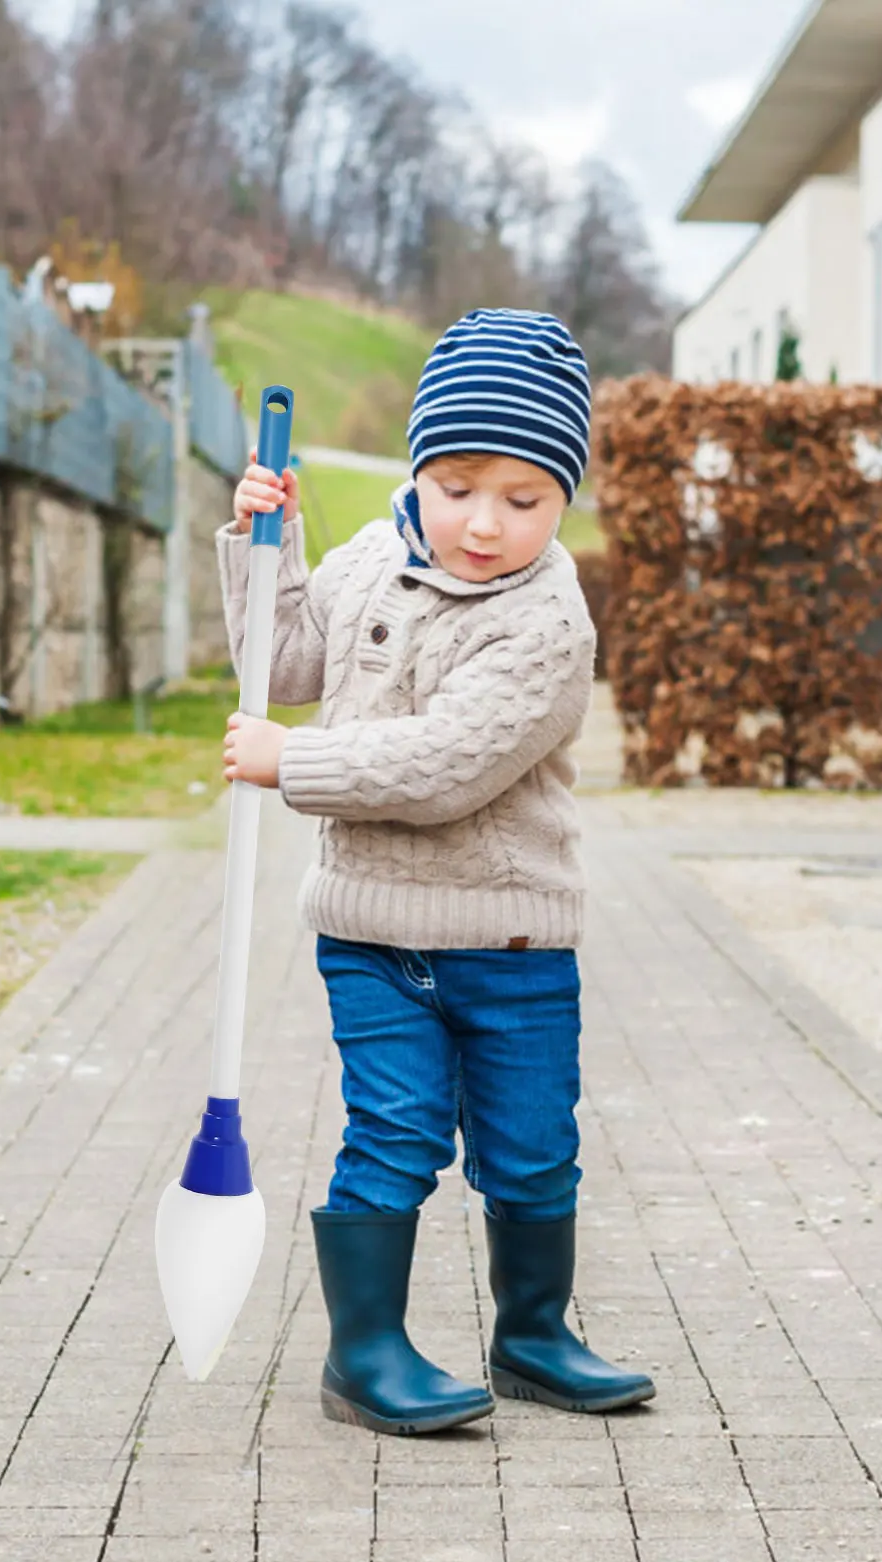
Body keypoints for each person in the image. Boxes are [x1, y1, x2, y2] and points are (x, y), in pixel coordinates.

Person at [217, 308, 653, 1435]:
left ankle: (533, 1333)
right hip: (374, 934)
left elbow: (444, 767)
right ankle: (364, 1352)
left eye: (525, 499)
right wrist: (266, 551)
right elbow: (289, 660)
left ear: (564, 501)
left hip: (510, 939)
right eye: (458, 486)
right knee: (396, 1129)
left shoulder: (548, 622)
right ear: (418, 468)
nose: (483, 524)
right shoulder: (372, 554)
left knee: (531, 1143)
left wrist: (289, 762)